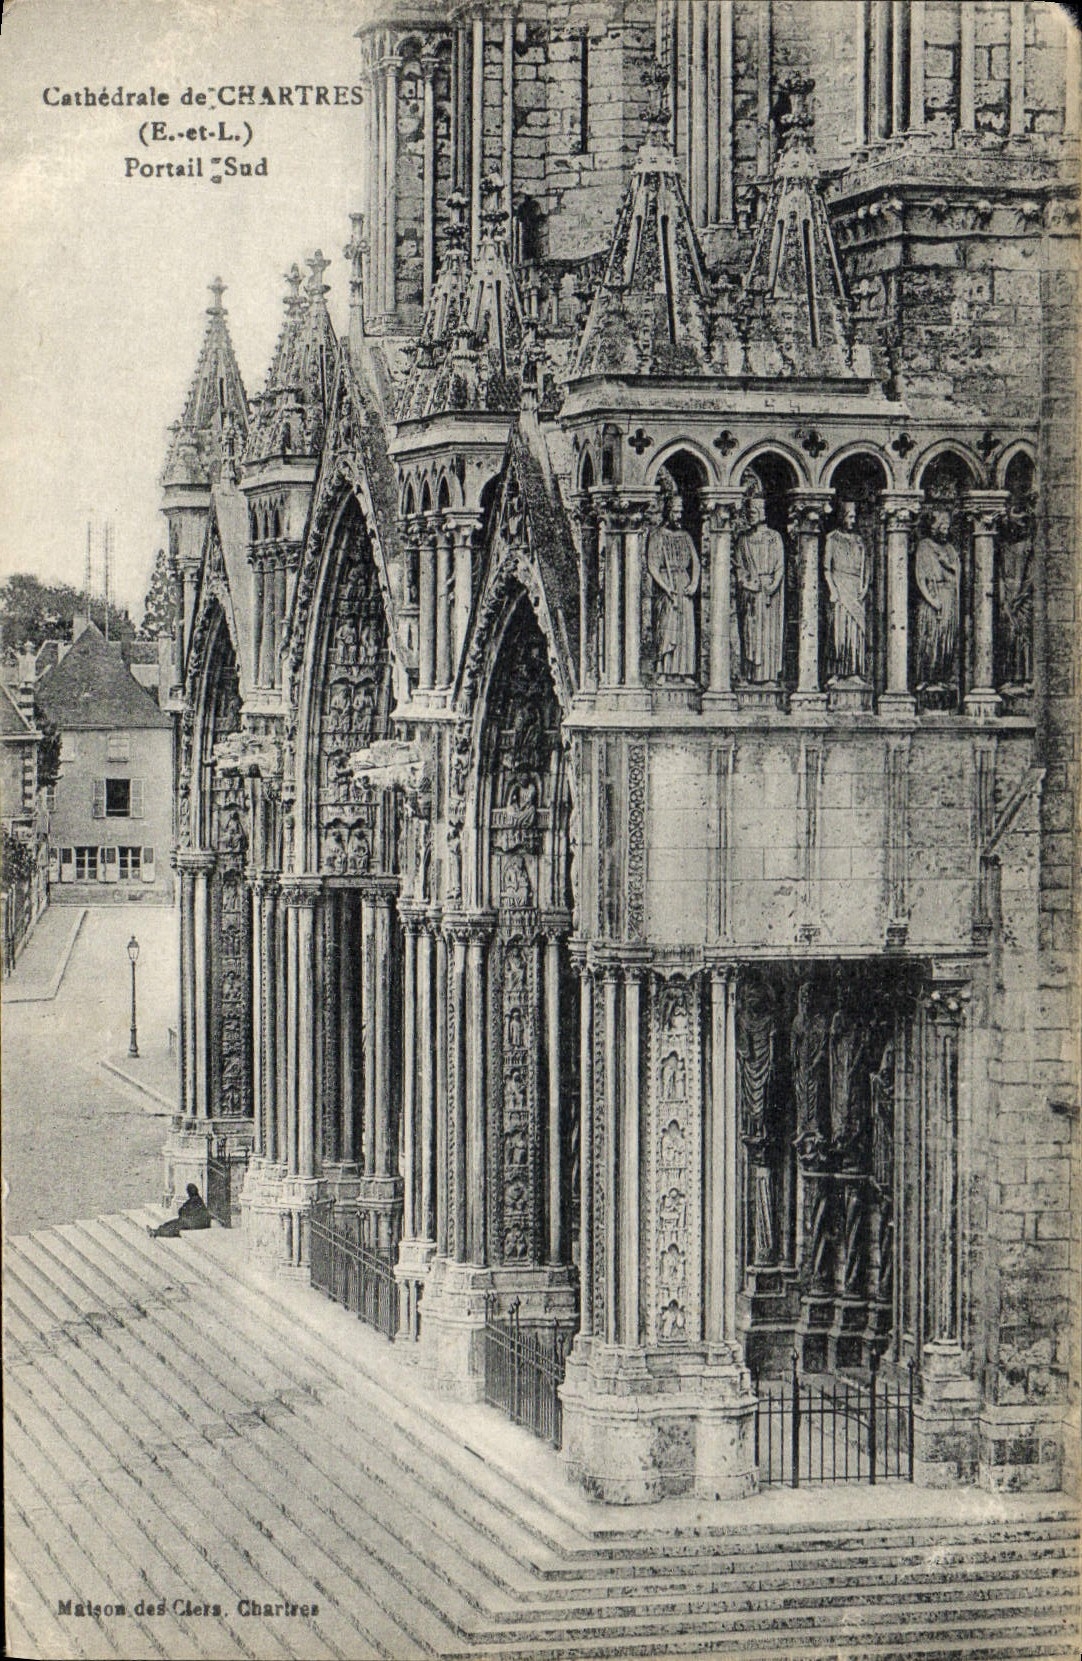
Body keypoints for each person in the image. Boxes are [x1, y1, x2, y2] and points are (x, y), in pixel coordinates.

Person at [646, 486, 700, 677]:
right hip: (666, 586)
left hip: (683, 586)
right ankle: (663, 670)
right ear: (668, 512)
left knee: (685, 630)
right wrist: (666, 587)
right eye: (675, 512)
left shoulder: (685, 536)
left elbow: (696, 562)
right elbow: (652, 565)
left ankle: (683, 673)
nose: (678, 516)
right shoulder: (657, 535)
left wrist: (693, 583)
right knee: (667, 628)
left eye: (680, 512)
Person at [735, 482, 786, 683]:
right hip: (750, 592)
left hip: (770, 593)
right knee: (750, 633)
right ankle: (749, 674)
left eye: (755, 510)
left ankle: (769, 675)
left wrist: (772, 585)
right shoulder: (743, 539)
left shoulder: (774, 538)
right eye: (749, 510)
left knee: (769, 633)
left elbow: (780, 565)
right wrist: (746, 584)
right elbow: (739, 567)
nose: (751, 514)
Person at [823, 500, 870, 681]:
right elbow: (827, 568)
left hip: (855, 588)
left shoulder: (859, 541)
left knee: (856, 632)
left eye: (855, 516)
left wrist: (864, 587)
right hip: (840, 586)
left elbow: (866, 568)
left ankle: (854, 671)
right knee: (838, 631)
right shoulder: (832, 539)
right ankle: (836, 671)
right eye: (850, 516)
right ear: (842, 516)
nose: (853, 520)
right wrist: (833, 589)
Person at [915, 507, 961, 688]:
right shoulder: (924, 546)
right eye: (942, 527)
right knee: (929, 637)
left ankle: (943, 677)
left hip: (948, 597)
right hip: (931, 599)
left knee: (946, 639)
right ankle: (926, 678)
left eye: (947, 528)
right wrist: (931, 600)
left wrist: (947, 563)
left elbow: (958, 573)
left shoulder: (949, 549)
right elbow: (920, 577)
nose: (946, 531)